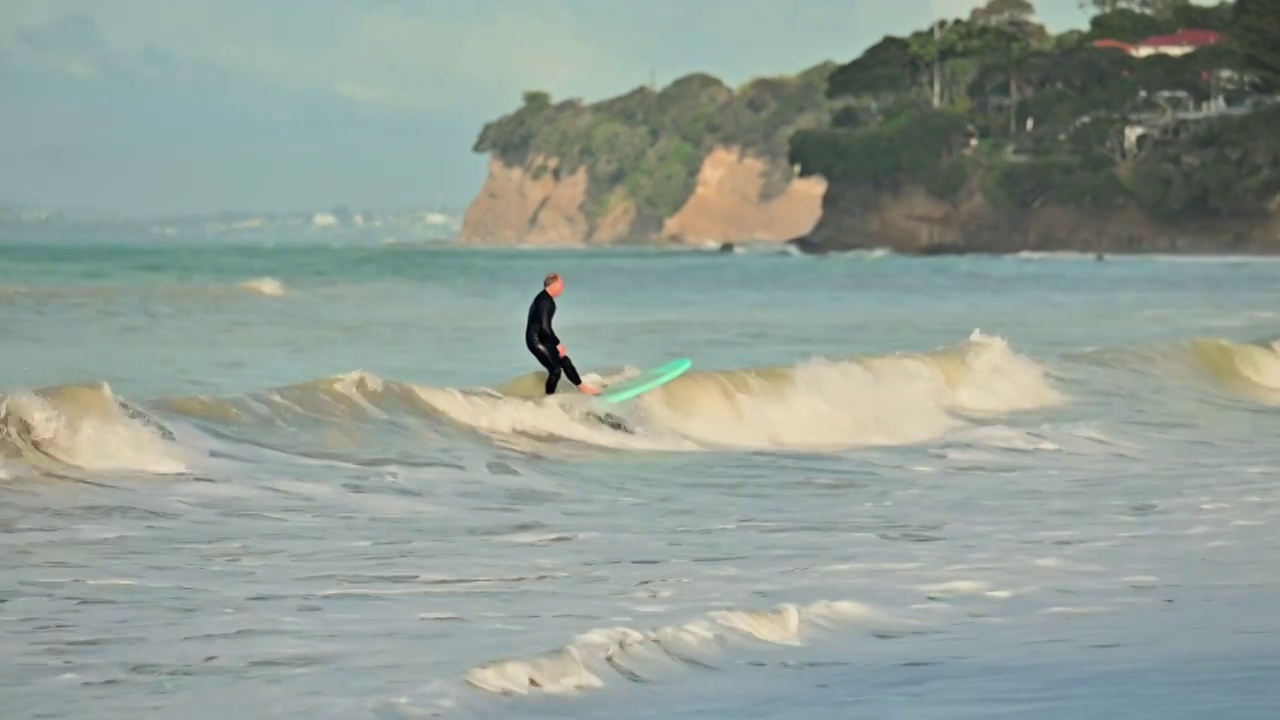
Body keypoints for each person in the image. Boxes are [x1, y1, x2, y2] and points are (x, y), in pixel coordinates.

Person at [525, 273, 601, 396]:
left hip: (542, 337)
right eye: (561, 285)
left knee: (565, 361)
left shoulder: (546, 299)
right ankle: (548, 400)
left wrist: (553, 342)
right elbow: (545, 327)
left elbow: (544, 328)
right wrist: (557, 343)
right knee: (555, 370)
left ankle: (583, 389)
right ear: (554, 285)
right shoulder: (545, 302)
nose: (563, 288)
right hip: (536, 341)